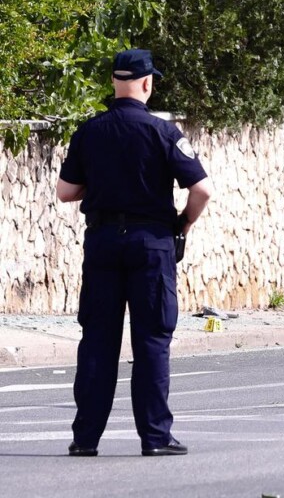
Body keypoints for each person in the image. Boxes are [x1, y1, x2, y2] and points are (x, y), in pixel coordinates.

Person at [56, 49, 213, 458]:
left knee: (97, 340)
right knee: (151, 341)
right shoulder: (163, 132)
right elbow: (202, 189)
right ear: (147, 83)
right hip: (151, 243)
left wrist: (105, 187)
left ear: (114, 82)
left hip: (104, 242)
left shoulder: (89, 132)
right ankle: (156, 438)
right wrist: (185, 223)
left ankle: (85, 439)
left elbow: (65, 192)